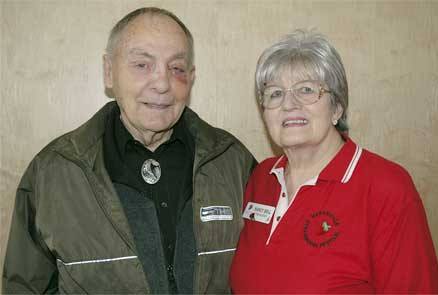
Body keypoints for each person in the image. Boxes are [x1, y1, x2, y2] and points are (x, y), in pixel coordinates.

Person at [2, 7, 256, 294]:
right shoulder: (53, 172)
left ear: (192, 78)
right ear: (109, 72)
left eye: (176, 69)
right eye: (142, 65)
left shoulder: (234, 162)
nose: (162, 84)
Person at [230, 29, 438, 293]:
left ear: (337, 108)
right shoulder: (261, 178)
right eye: (275, 93)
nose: (288, 104)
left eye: (306, 90)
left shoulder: (386, 187)